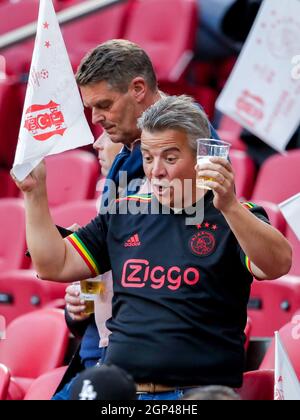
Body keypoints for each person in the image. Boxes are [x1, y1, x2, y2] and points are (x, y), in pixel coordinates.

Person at [12, 95, 292, 400]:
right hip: (119, 392)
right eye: (148, 157)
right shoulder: (123, 211)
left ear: (201, 157)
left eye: (170, 158)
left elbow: (277, 264)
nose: (156, 171)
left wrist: (229, 207)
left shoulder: (237, 215)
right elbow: (53, 264)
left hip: (195, 395)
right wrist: (35, 193)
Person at [57, 39, 222, 399]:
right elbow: (119, 253)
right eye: (90, 108)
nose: (95, 120)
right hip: (105, 350)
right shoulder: (125, 153)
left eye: (103, 105)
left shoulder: (193, 144)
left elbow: (172, 252)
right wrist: (86, 296)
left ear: (138, 89)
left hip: (157, 368)